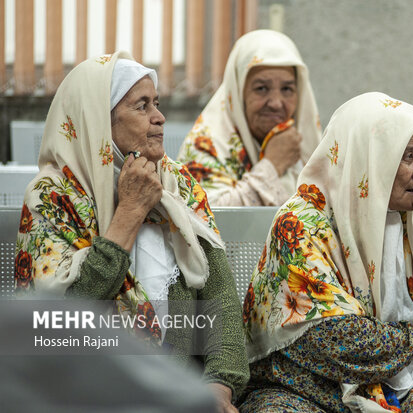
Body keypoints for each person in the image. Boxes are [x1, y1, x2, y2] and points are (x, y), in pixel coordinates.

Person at [13, 51, 249, 412]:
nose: (160, 117)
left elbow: (221, 299)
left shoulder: (176, 184)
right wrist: (130, 211)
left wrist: (219, 385)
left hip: (177, 392)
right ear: (97, 122)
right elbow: (61, 320)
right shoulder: (53, 196)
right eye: (142, 106)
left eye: (156, 103)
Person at [239, 92, 413, 412]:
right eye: (407, 156)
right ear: (368, 158)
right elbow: (336, 340)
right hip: (301, 389)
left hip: (394, 390)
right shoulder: (301, 223)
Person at [177, 29, 322, 206]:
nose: (276, 103)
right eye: (261, 88)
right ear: (238, 93)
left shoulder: (304, 146)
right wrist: (273, 165)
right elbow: (207, 220)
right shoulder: (206, 144)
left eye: (287, 89)